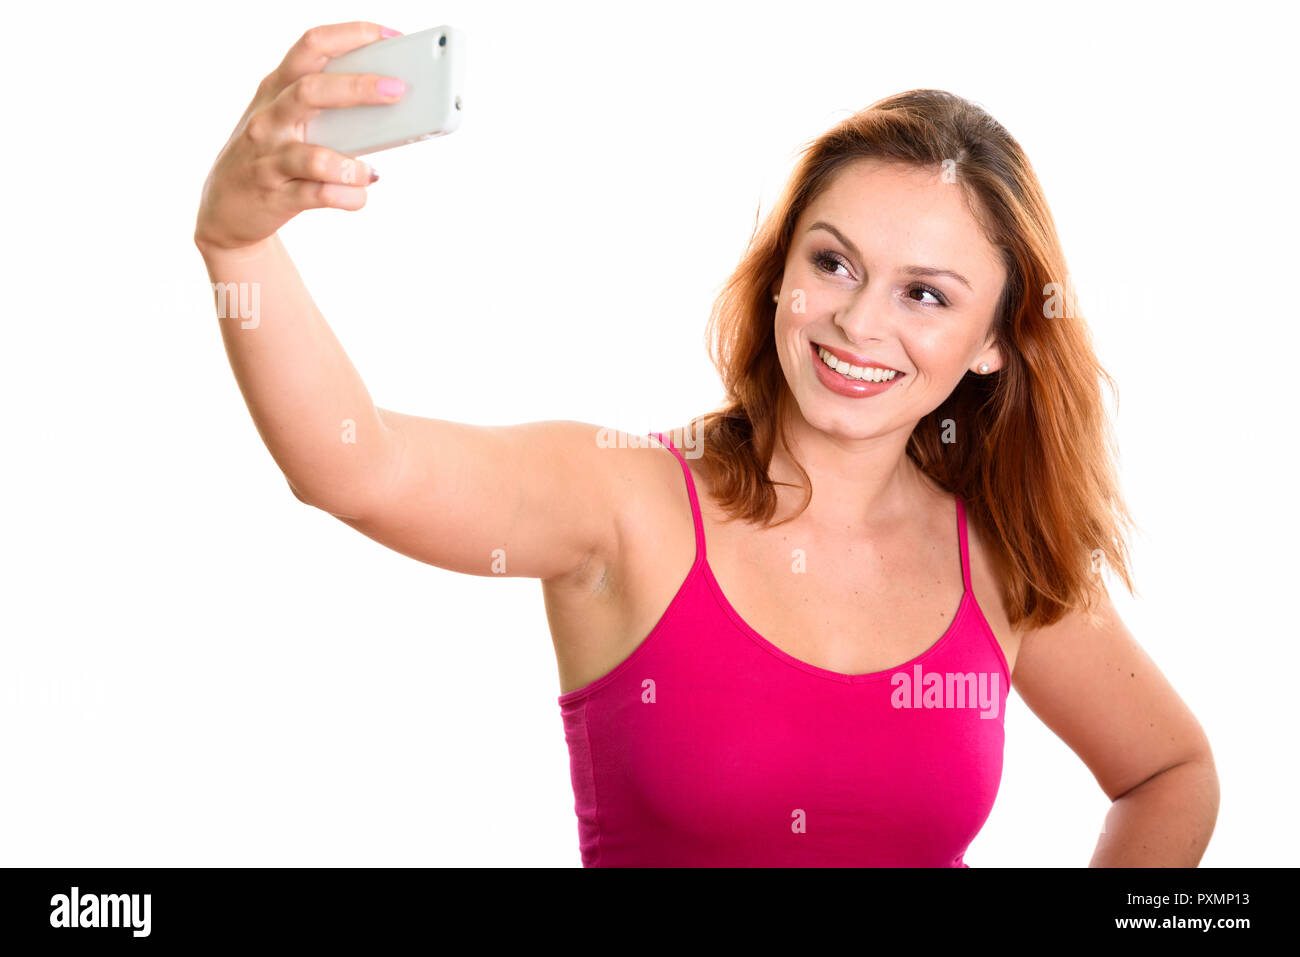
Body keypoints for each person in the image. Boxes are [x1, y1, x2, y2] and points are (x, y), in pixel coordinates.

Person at [194, 20, 1219, 867]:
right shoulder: (623, 499)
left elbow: (1169, 774)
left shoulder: (1001, 557)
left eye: (923, 294)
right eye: (834, 262)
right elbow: (353, 466)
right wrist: (237, 243)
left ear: (994, 342)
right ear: (781, 271)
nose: (859, 324)